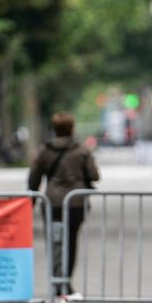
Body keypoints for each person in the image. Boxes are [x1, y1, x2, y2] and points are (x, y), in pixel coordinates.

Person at [28, 112, 100, 293]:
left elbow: (34, 179)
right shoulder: (81, 150)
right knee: (70, 241)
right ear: (72, 128)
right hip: (76, 203)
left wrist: (32, 200)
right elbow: (94, 175)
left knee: (54, 242)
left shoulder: (45, 150)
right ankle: (66, 281)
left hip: (51, 203)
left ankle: (55, 280)